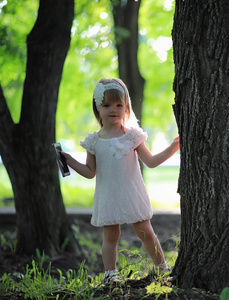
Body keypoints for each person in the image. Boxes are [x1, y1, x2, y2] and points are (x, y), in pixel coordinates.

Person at [61, 78, 180, 283]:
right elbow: (90, 172)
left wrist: (172, 148)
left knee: (145, 232)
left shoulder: (131, 136)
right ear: (97, 107)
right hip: (108, 194)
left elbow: (150, 162)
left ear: (126, 107)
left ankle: (162, 267)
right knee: (111, 236)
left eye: (119, 105)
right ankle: (110, 273)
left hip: (132, 192)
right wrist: (70, 161)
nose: (113, 110)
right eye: (107, 105)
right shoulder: (94, 141)